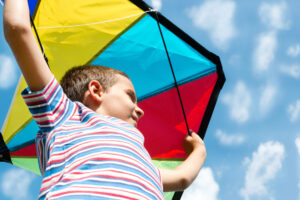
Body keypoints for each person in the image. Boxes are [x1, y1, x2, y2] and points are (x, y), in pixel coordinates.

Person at [3, 0, 206, 199]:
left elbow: (182, 178)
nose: (140, 110)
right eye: (130, 96)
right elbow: (18, 28)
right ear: (96, 91)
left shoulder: (144, 163)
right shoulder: (67, 116)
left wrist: (199, 151)